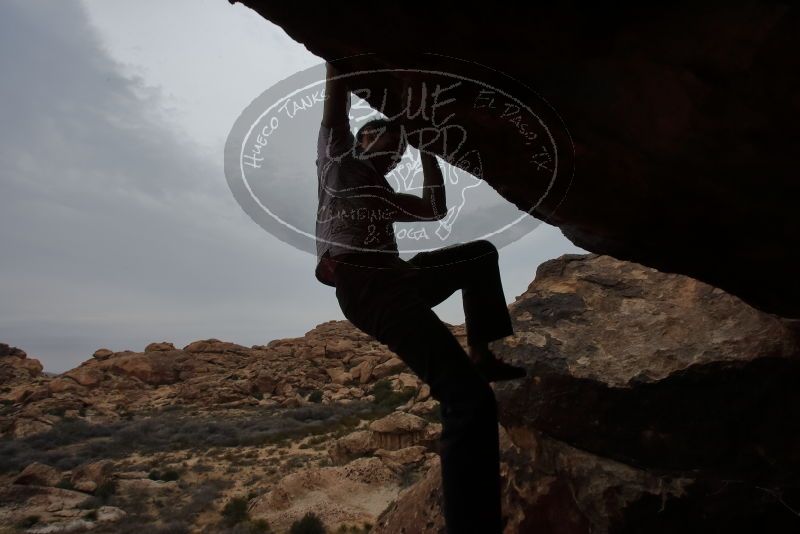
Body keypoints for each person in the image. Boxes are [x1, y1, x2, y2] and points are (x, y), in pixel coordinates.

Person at [314, 60, 526, 533]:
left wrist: (428, 150)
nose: (391, 153)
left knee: (477, 255)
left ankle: (487, 353)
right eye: (383, 141)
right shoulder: (338, 163)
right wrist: (335, 57)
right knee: (467, 402)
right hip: (367, 288)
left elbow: (434, 209)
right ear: (361, 140)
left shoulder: (385, 192)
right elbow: (334, 110)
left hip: (399, 278)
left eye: (397, 153)